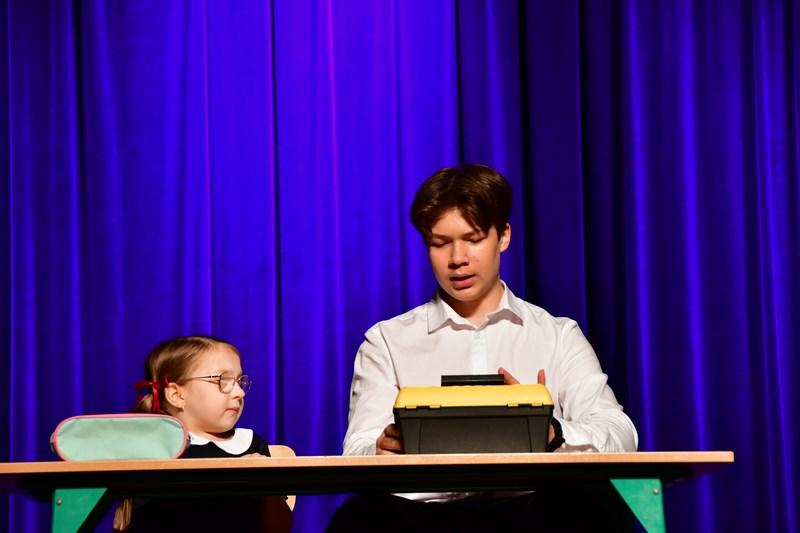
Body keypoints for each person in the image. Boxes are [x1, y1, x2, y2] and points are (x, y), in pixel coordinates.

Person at [329, 164, 638, 532]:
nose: (457, 258)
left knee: (595, 507)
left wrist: (553, 432)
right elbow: (358, 449)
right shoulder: (387, 341)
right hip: (419, 518)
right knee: (356, 518)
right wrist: (381, 448)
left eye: (473, 239)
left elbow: (621, 434)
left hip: (534, 512)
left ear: (502, 236)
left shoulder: (556, 335)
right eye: (440, 243)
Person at [113, 335, 289, 532]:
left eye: (239, 381)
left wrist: (267, 486)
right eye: (223, 380)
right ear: (177, 395)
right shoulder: (158, 448)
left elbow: (279, 527)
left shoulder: (251, 444)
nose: (240, 392)